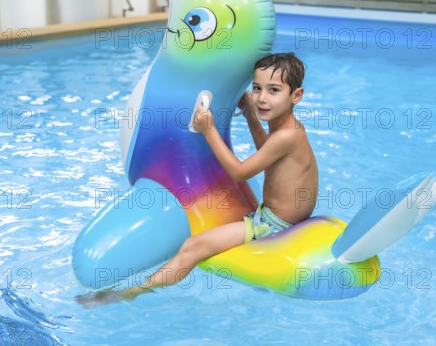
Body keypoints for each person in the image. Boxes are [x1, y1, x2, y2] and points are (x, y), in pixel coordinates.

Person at [77, 52, 318, 306]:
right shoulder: (289, 129)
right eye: (257, 88)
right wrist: (249, 116)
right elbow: (267, 152)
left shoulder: (286, 137)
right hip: (275, 217)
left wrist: (208, 130)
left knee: (193, 246)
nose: (261, 98)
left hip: (274, 226)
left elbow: (239, 172)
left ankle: (128, 294)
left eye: (273, 90)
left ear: (296, 95)